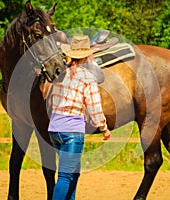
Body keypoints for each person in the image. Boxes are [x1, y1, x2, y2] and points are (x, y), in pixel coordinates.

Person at [48, 34, 111, 200]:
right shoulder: (88, 78)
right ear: (87, 56)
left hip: (54, 130)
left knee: (73, 174)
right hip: (72, 133)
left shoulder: (60, 75)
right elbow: (94, 108)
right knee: (65, 177)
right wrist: (104, 128)